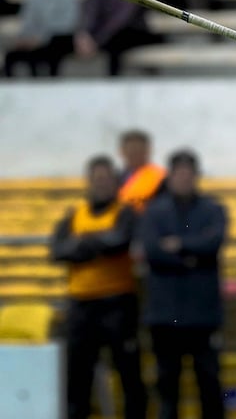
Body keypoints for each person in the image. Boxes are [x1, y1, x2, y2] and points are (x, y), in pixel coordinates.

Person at [49, 155, 148, 419]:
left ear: (115, 183)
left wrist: (82, 244)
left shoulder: (125, 212)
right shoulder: (73, 215)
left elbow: (119, 242)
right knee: (77, 376)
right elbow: (57, 251)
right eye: (97, 179)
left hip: (118, 302)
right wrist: (98, 244)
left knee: (128, 373)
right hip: (81, 306)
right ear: (88, 182)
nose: (102, 184)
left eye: (106, 179)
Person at [140, 149, 227, 419]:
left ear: (197, 176)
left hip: (203, 316)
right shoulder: (154, 212)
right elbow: (152, 250)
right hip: (165, 317)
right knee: (168, 389)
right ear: (170, 176)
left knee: (210, 386)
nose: (184, 179)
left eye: (189, 174)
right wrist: (192, 256)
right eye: (179, 174)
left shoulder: (214, 209)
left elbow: (213, 243)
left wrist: (178, 245)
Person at [117, 128, 166, 213]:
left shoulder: (161, 177)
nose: (135, 154)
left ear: (148, 150)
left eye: (139, 150)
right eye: (131, 150)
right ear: (122, 151)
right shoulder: (114, 178)